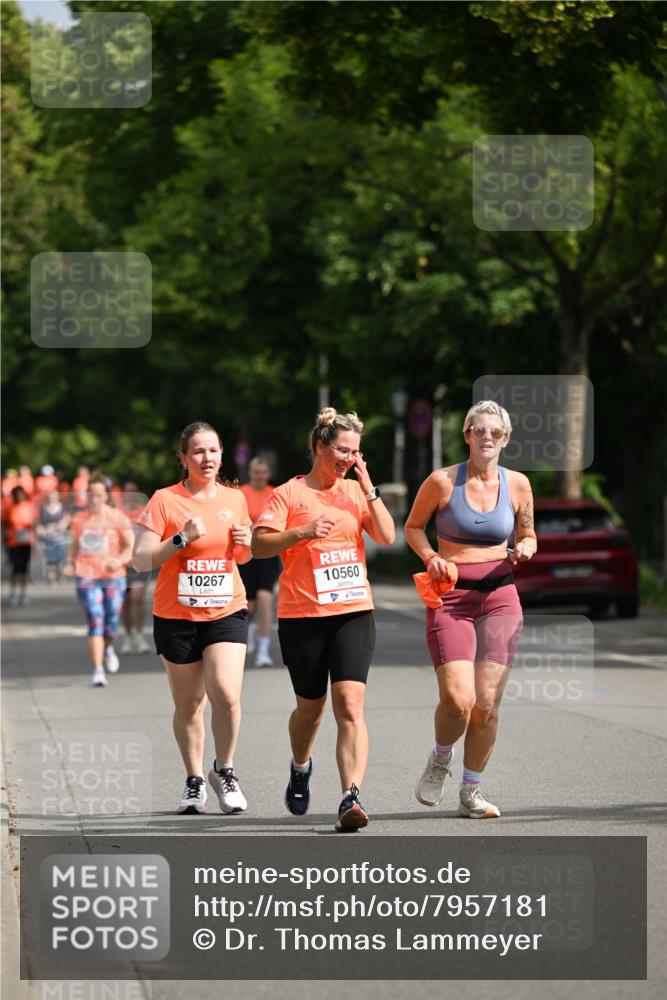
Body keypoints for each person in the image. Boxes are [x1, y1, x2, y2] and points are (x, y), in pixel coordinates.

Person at [252, 407, 395, 831]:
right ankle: (300, 764)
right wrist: (302, 531)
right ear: (319, 445)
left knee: (350, 705)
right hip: (302, 616)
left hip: (352, 611)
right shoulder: (288, 494)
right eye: (341, 450)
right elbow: (259, 547)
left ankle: (350, 796)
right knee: (310, 711)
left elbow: (387, 536)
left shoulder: (355, 491)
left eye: (355, 452)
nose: (348, 458)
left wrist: (369, 489)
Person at [404, 400, 537, 819]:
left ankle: (471, 791)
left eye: (495, 433)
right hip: (453, 597)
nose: (487, 438)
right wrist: (430, 558)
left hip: (501, 596)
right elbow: (412, 528)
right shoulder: (442, 482)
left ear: (506, 439)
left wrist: (527, 548)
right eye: (479, 430)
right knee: (459, 700)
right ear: (466, 435)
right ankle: (441, 758)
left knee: (487, 704)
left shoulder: (517, 484)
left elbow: (528, 532)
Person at [133, 421, 253, 817]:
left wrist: (245, 545)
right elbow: (140, 559)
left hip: (226, 608)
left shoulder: (236, 499)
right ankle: (194, 779)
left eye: (214, 451)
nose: (208, 458)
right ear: (183, 458)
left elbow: (242, 557)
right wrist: (180, 539)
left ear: (222, 456)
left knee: (227, 694)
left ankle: (226, 769)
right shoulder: (165, 500)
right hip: (176, 614)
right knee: (189, 705)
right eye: (199, 451)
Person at [64, 475, 135, 686]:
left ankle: (110, 647)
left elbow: (131, 547)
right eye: (90, 494)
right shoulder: (79, 519)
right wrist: (70, 562)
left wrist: (119, 560)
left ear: (106, 495)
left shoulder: (118, 518)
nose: (93, 498)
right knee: (95, 618)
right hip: (87, 574)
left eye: (98, 494)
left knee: (111, 619)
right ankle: (97, 669)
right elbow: (74, 545)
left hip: (113, 576)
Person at [240, 457, 280, 667]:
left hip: (268, 554)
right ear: (250, 472)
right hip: (246, 554)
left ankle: (263, 650)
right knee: (250, 605)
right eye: (256, 472)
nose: (260, 476)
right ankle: (252, 630)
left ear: (268, 474)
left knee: (265, 600)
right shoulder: (241, 494)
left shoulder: (274, 494)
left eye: (263, 472)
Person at [119, 482, 151, 654]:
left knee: (138, 599)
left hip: (140, 562)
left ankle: (139, 636)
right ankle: (127, 636)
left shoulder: (143, 512)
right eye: (127, 491)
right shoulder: (118, 514)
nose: (130, 494)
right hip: (123, 564)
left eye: (133, 491)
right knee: (125, 602)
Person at [4, 486, 36, 606]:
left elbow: (34, 523)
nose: (19, 496)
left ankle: (23, 593)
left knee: (24, 568)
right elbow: (4, 524)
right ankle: (13, 593)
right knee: (16, 567)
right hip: (13, 542)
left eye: (21, 494)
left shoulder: (29, 506)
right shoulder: (9, 507)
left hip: (26, 541)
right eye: (16, 494)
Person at [36, 489, 70, 583]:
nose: (52, 498)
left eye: (54, 496)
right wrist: (40, 530)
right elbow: (39, 522)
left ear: (57, 497)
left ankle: (60, 574)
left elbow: (67, 518)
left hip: (60, 537)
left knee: (60, 557)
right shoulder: (43, 508)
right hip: (47, 536)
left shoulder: (63, 507)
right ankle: (51, 577)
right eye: (50, 496)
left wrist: (62, 525)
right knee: (49, 558)